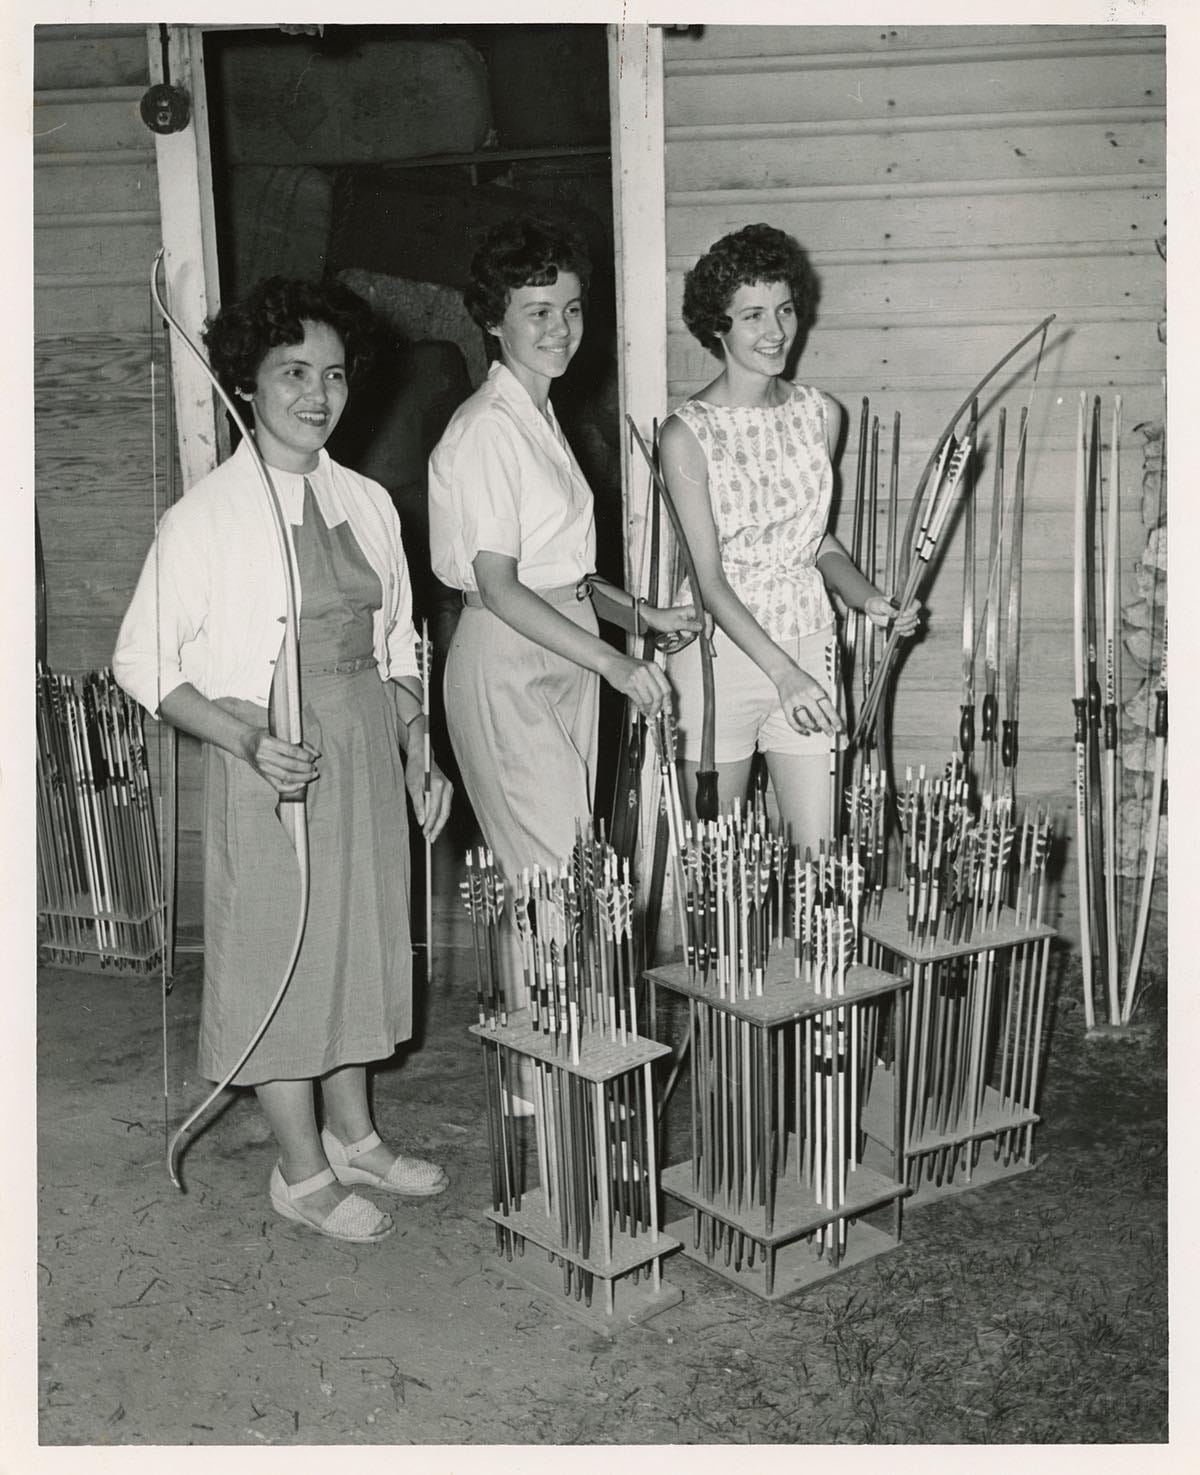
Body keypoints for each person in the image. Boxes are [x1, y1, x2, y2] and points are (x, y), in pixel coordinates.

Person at [114, 277, 453, 1244]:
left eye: (335, 374)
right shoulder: (206, 517)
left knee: (355, 947)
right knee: (283, 956)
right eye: (293, 372)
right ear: (248, 382)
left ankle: (355, 1136)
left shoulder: (369, 502)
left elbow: (395, 649)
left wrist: (419, 753)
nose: (318, 394)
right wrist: (248, 743)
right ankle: (299, 1172)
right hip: (269, 759)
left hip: (362, 751)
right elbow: (144, 663)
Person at [428, 216, 700, 1026]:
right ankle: (550, 1085)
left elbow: (567, 574)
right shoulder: (483, 430)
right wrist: (619, 663)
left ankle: (560, 1068)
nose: (560, 329)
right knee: (547, 878)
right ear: (492, 318)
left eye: (572, 309)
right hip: (508, 660)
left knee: (568, 871)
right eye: (537, 310)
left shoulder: (540, 419)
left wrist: (638, 613)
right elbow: (503, 588)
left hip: (565, 654)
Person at [660, 223, 921, 846]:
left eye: (784, 309)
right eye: (752, 315)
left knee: (821, 853)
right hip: (722, 659)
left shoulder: (821, 414)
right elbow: (710, 581)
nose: (775, 331)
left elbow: (817, 543)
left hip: (810, 644)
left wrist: (868, 599)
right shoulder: (686, 435)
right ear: (717, 325)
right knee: (716, 868)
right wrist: (783, 674)